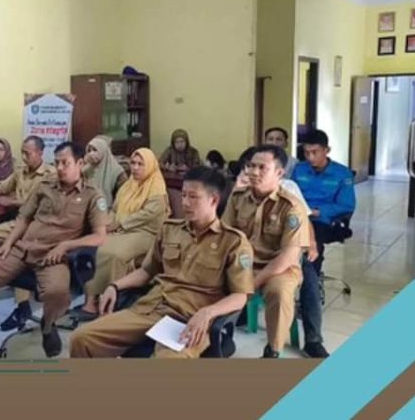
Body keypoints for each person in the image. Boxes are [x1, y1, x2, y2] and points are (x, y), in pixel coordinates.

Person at [69, 166, 254, 358]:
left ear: (213, 200)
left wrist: (208, 313)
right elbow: (146, 271)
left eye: (193, 197)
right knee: (81, 338)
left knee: (168, 360)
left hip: (191, 317)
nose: (185, 202)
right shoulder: (169, 229)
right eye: (183, 195)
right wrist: (114, 286)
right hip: (151, 308)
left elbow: (240, 295)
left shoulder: (233, 242)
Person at [0, 142, 108, 359]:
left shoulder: (93, 195)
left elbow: (100, 236)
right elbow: (24, 217)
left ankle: (48, 324)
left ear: (80, 163)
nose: (59, 168)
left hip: (52, 256)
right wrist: (7, 243)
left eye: (65, 163)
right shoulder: (45, 185)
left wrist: (66, 245)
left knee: (57, 294)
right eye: (57, 163)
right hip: (22, 248)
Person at [222, 145, 309, 358]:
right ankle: (214, 336)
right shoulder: (237, 197)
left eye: (262, 168)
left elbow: (288, 257)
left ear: (279, 173)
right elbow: (225, 235)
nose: (254, 172)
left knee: (279, 292)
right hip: (243, 263)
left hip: (278, 268)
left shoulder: (291, 206)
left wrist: (252, 283)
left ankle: (273, 350)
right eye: (251, 166)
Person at [74, 148, 169, 321]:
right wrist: (107, 223)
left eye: (140, 164)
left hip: (146, 232)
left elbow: (148, 215)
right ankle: (91, 300)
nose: (135, 168)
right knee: (95, 247)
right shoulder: (127, 185)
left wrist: (121, 223)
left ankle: (111, 302)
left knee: (114, 254)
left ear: (150, 166)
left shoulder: (157, 188)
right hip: (122, 230)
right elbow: (115, 209)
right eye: (133, 163)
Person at [0, 135, 56, 331]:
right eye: (22, 153)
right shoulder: (20, 171)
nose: (24, 157)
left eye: (28, 153)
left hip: (38, 226)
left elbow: (40, 204)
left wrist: (11, 201)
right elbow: (3, 187)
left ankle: (22, 306)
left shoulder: (50, 175)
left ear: (40, 153)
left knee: (18, 253)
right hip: (18, 222)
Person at [291, 129, 356, 359]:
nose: (310, 157)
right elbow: (290, 194)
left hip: (323, 222)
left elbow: (347, 205)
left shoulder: (342, 173)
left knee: (310, 253)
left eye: (315, 152)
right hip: (296, 219)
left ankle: (310, 274)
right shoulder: (299, 170)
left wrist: (319, 211)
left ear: (326, 150)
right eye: (306, 152)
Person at [83, 136, 127, 207]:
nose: (91, 153)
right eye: (89, 151)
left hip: (110, 209)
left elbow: (123, 196)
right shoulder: (86, 170)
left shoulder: (117, 173)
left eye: (95, 150)